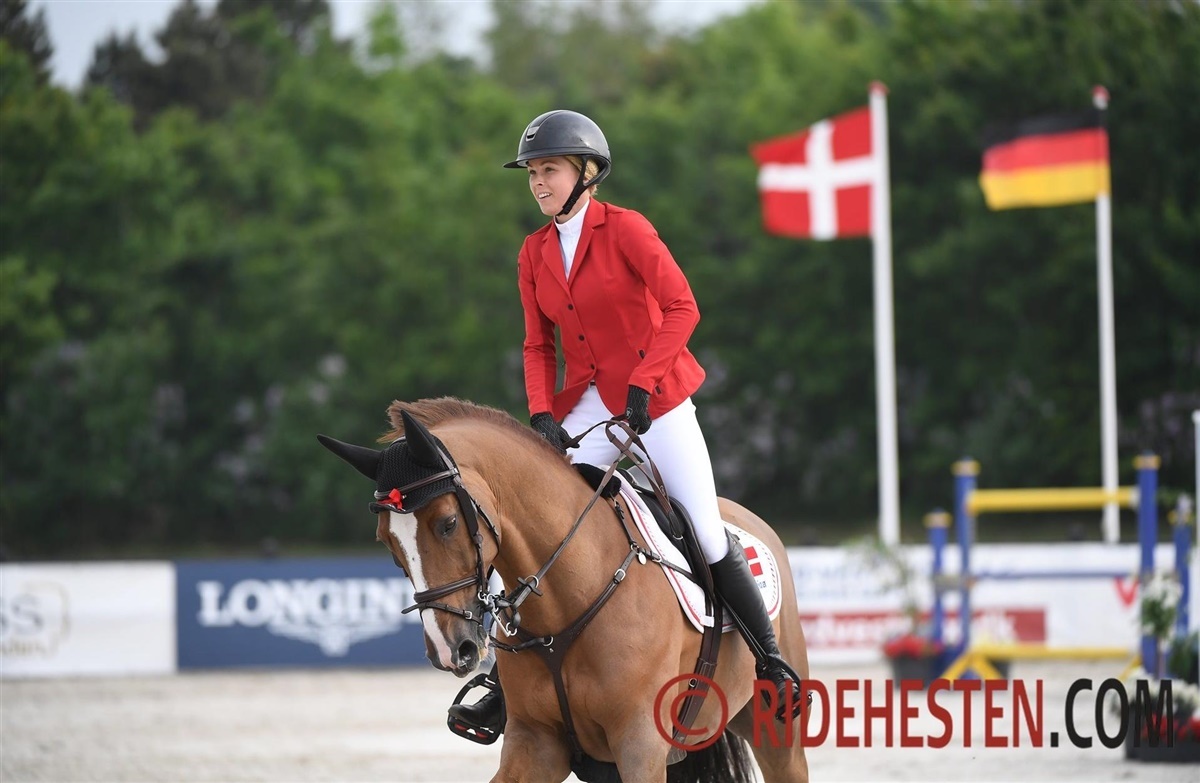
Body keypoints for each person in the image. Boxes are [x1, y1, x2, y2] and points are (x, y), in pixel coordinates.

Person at [448, 109, 802, 735]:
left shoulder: (627, 229)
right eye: (531, 172)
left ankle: (771, 661)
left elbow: (682, 306)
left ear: (587, 173)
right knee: (543, 527)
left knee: (704, 530)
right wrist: (541, 411)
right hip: (586, 404)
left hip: (656, 401)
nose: (537, 182)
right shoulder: (533, 252)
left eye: (549, 169)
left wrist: (644, 382)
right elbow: (538, 344)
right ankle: (505, 682)